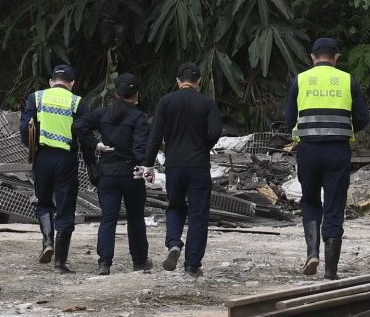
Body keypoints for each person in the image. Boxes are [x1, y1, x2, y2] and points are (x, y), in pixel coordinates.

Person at [284, 37, 370, 280]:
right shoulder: (347, 80)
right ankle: (331, 271)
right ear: (336, 57)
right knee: (334, 207)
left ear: (313, 57)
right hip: (337, 151)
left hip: (308, 151)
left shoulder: (300, 80)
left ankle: (312, 253)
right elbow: (363, 118)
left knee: (310, 202)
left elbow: (289, 120)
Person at [143, 62, 222, 278]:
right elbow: (215, 131)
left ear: (178, 81)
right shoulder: (207, 103)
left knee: (176, 206)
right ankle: (192, 264)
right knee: (198, 214)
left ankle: (174, 244)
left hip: (174, 165)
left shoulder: (166, 102)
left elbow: (156, 135)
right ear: (199, 82)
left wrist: (148, 164)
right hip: (198, 166)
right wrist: (203, 147)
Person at [19, 63, 96, 273]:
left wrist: (32, 149)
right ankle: (60, 262)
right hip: (66, 160)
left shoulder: (37, 97)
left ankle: (47, 243)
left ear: (52, 81)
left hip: (42, 157)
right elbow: (84, 134)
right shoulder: (78, 102)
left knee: (43, 202)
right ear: (71, 84)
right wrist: (91, 164)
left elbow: (25, 128)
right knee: (66, 209)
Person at [75, 73, 152, 275]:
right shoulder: (138, 117)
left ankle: (104, 263)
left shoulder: (103, 113)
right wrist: (144, 166)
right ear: (136, 95)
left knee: (108, 218)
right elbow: (140, 147)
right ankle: (140, 261)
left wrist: (96, 145)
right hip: (131, 173)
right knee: (135, 218)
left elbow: (79, 126)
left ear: (116, 93)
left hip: (107, 173)